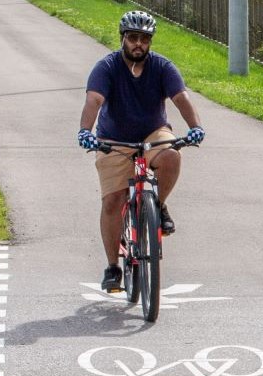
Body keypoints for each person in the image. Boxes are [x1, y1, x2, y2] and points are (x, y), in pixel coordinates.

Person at [77, 10, 205, 293]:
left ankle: (157, 207)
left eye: (144, 39)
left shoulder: (162, 67)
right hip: (114, 138)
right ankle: (113, 267)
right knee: (113, 201)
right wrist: (85, 130)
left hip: (153, 134)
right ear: (123, 38)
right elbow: (94, 99)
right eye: (133, 38)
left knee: (172, 154)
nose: (138, 44)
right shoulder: (107, 67)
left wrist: (195, 126)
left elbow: (181, 97)